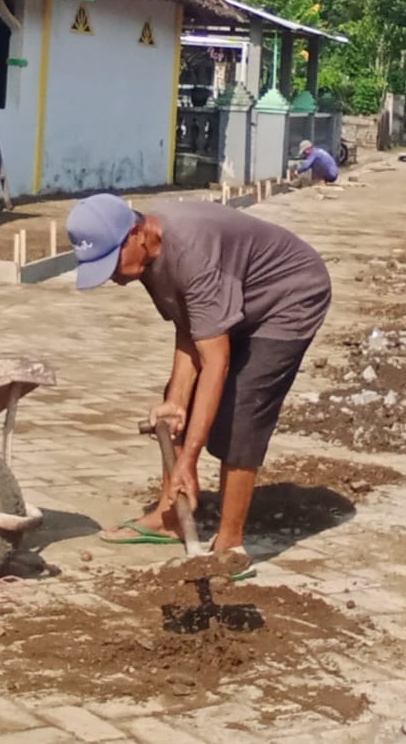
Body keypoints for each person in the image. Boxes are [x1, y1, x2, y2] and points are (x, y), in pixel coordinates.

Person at [67, 193, 333, 562]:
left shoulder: (192, 255)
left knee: (243, 410)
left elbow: (216, 361)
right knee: (175, 408)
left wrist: (189, 457)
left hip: (288, 297)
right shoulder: (148, 259)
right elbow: (189, 328)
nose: (109, 274)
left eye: (110, 261)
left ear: (137, 234)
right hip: (234, 297)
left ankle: (230, 544)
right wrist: (176, 402)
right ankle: (170, 519)